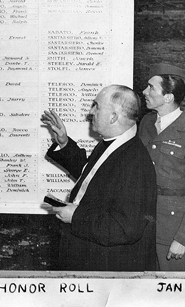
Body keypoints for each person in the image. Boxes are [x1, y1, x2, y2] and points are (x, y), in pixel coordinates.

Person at [41, 84, 157, 271]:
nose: (90, 112)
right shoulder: (113, 143)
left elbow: (125, 228)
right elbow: (94, 176)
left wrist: (76, 217)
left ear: (113, 117)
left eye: (96, 106)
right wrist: (63, 143)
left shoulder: (135, 163)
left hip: (104, 266)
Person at [139, 63, 185, 271]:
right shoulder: (146, 123)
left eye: (151, 87)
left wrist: (183, 239)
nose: (144, 92)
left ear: (168, 97)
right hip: (145, 227)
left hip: (174, 233)